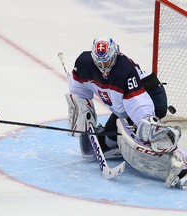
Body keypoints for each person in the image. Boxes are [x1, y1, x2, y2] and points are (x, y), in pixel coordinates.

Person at [66, 36, 187, 189]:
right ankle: (120, 144)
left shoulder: (123, 70)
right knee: (105, 143)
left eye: (107, 62)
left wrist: (146, 123)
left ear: (115, 54)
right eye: (99, 63)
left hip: (151, 95)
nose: (103, 67)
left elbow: (138, 102)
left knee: (150, 135)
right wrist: (81, 109)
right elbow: (79, 89)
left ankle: (181, 163)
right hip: (124, 106)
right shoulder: (84, 64)